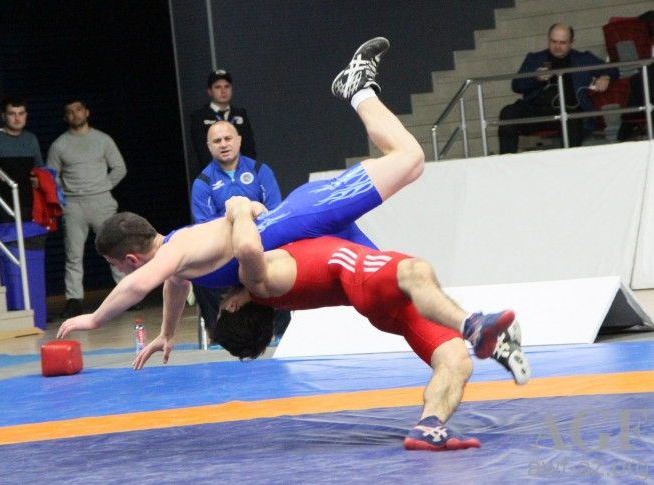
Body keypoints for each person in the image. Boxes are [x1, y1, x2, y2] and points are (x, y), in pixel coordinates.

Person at [57, 38, 522, 398]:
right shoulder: (177, 260)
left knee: (411, 159)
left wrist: (95, 319)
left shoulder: (173, 252)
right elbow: (171, 288)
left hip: (301, 218)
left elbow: (141, 285)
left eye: (120, 268)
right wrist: (164, 333)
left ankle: (356, 87)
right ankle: (473, 339)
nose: (126, 275)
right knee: (393, 294)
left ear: (132, 259)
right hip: (306, 233)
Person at [215, 196, 530, 451]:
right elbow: (246, 242)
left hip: (389, 305)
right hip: (361, 277)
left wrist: (170, 330)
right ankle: (474, 327)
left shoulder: (270, 286)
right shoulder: (257, 281)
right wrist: (240, 208)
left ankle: (429, 424)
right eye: (221, 305)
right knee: (416, 270)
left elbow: (269, 221)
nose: (222, 295)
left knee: (457, 362)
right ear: (232, 306)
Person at [191, 120, 290, 347]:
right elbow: (205, 227)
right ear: (209, 146)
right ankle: (217, 332)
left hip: (263, 246)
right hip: (225, 253)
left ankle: (281, 332)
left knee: (284, 265)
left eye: (228, 139)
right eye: (217, 141)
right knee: (199, 277)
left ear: (239, 140)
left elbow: (275, 213)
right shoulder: (203, 182)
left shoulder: (260, 171)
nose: (223, 144)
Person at [47, 99, 127, 319]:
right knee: (73, 254)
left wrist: (103, 186)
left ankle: (126, 295)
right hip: (74, 205)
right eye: (70, 111)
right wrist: (66, 196)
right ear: (66, 117)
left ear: (87, 112)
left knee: (115, 248)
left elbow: (119, 168)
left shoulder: (102, 140)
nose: (75, 114)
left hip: (101, 201)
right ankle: (74, 300)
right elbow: (51, 177)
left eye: (79, 109)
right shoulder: (59, 144)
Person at [498, 23, 619, 154]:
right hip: (536, 110)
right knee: (508, 113)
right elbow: (516, 86)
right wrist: (535, 78)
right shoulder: (534, 59)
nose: (557, 46)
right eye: (553, 41)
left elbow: (614, 69)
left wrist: (605, 77)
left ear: (572, 43)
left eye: (562, 43)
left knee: (572, 119)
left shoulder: (583, 58)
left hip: (569, 112)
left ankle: (568, 163)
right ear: (548, 40)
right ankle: (506, 159)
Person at [0, 96, 44, 222]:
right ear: (3, 116)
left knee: (32, 241)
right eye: (12, 114)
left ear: (26, 115)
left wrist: (39, 177)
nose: (17, 118)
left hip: (29, 204)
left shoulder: (31, 138)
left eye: (21, 114)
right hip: (2, 205)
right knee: (8, 241)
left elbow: (39, 167)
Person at [188, 69, 257, 186]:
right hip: (212, 177)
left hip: (242, 175)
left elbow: (249, 147)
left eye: (227, 86)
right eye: (218, 87)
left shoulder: (240, 114)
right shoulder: (199, 117)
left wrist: (246, 171)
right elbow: (201, 151)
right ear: (209, 91)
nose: (223, 90)